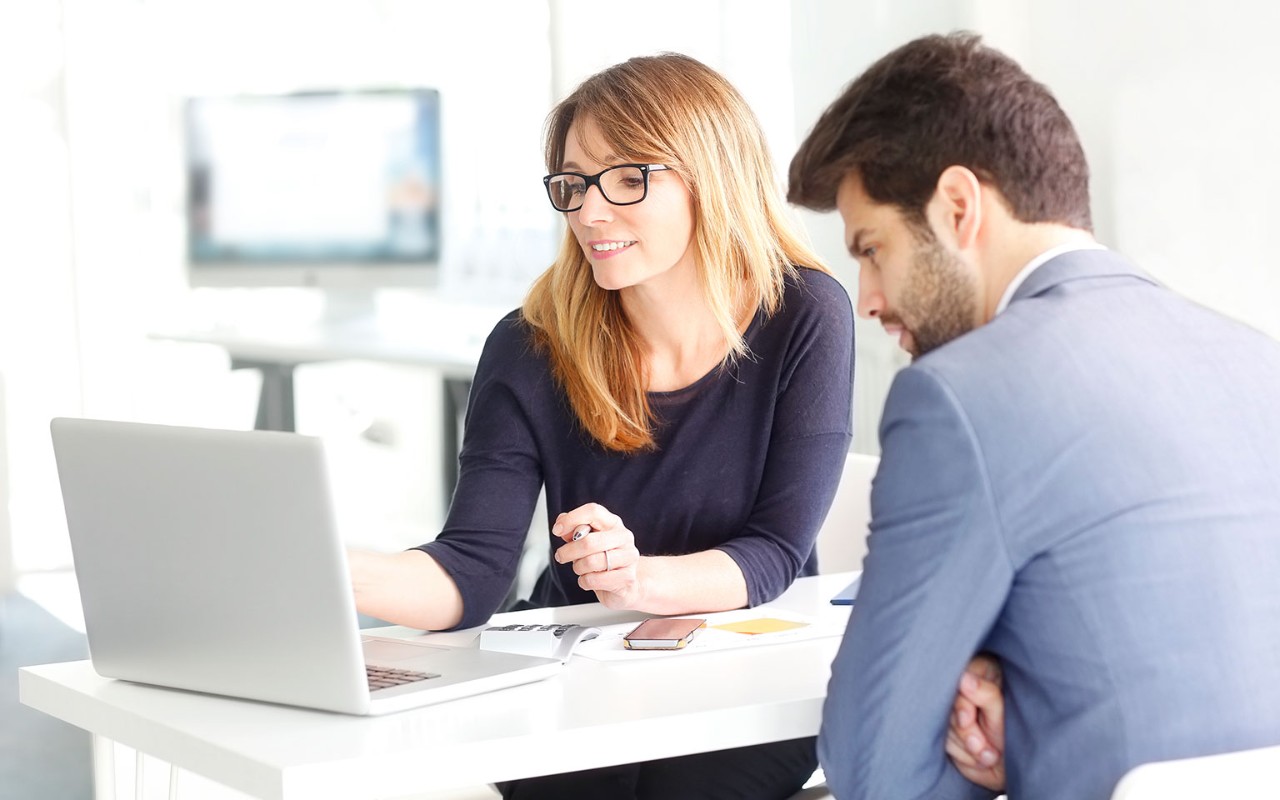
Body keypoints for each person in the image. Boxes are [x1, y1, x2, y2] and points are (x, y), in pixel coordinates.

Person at [787, 31, 1280, 800]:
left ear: (957, 207)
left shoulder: (959, 395)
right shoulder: (1259, 360)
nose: (868, 299)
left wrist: (1024, 760)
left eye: (872, 248)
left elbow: (875, 772)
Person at [350, 53, 856, 799]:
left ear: (709, 177)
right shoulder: (529, 343)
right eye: (575, 184)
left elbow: (774, 553)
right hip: (573, 667)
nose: (589, 211)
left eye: (628, 179)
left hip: (739, 672)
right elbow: (471, 570)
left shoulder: (805, 314)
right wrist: (328, 567)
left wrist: (637, 579)